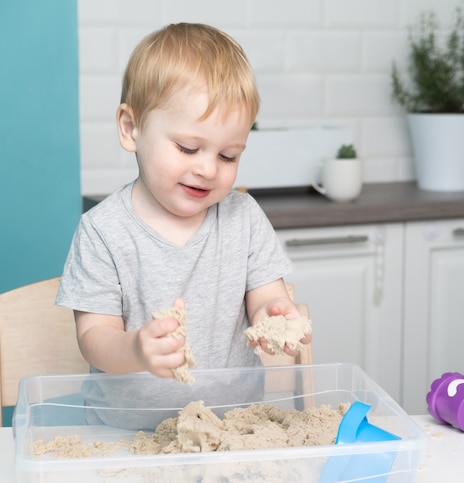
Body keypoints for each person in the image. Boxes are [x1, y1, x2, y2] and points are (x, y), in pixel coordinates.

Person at [56, 23, 311, 428]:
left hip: (234, 427)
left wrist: (273, 313)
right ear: (130, 129)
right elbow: (94, 338)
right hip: (127, 433)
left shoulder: (242, 217)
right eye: (188, 148)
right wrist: (136, 350)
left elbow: (266, 297)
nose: (208, 169)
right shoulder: (103, 230)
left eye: (228, 156)